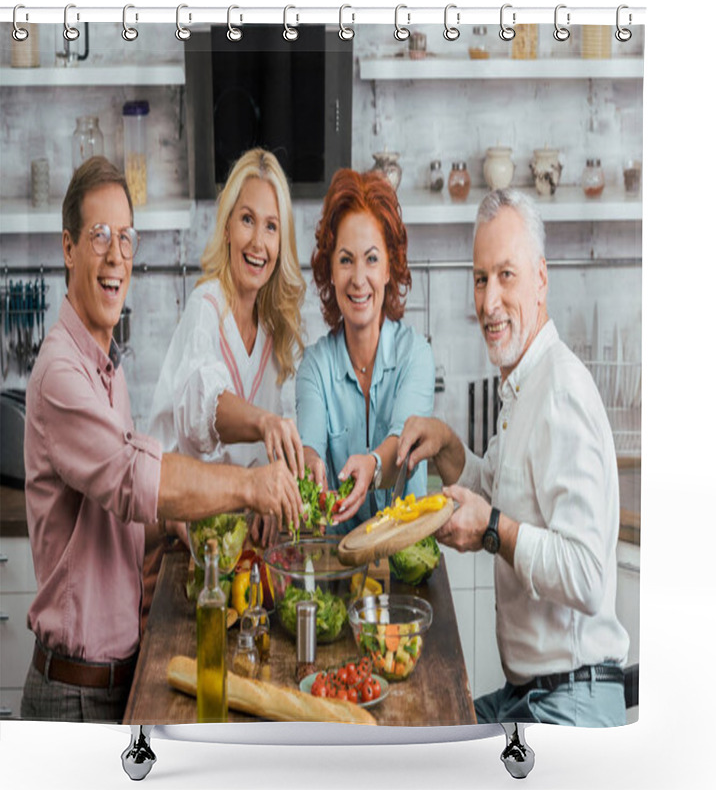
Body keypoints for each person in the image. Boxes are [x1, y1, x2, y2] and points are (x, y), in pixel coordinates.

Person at [21, 157, 303, 723]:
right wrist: (249, 487)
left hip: (114, 676)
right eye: (99, 236)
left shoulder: (107, 371)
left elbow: (118, 511)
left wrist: (170, 523)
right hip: (76, 694)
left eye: (126, 238)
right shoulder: (61, 375)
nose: (115, 255)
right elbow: (134, 479)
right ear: (68, 247)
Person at [397, 189, 629, 727]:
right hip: (528, 694)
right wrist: (449, 446)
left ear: (541, 278)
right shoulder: (523, 386)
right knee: (424, 731)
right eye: (481, 279)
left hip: (575, 701)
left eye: (507, 275)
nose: (489, 301)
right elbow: (495, 489)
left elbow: (587, 576)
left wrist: (493, 529)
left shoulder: (561, 390)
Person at [148, 148, 306, 548]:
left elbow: (270, 451)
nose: (258, 241)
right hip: (179, 534)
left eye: (271, 227)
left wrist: (268, 502)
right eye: (247, 220)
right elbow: (205, 405)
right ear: (227, 229)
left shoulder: (275, 326)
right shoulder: (207, 305)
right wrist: (264, 422)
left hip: (240, 540)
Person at [296, 169, 435, 532]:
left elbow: (401, 446)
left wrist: (372, 465)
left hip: (406, 562)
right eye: (345, 260)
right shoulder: (314, 367)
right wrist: (308, 469)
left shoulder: (415, 356)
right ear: (330, 270)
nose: (358, 278)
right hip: (337, 568)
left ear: (390, 267)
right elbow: (310, 448)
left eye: (371, 259)